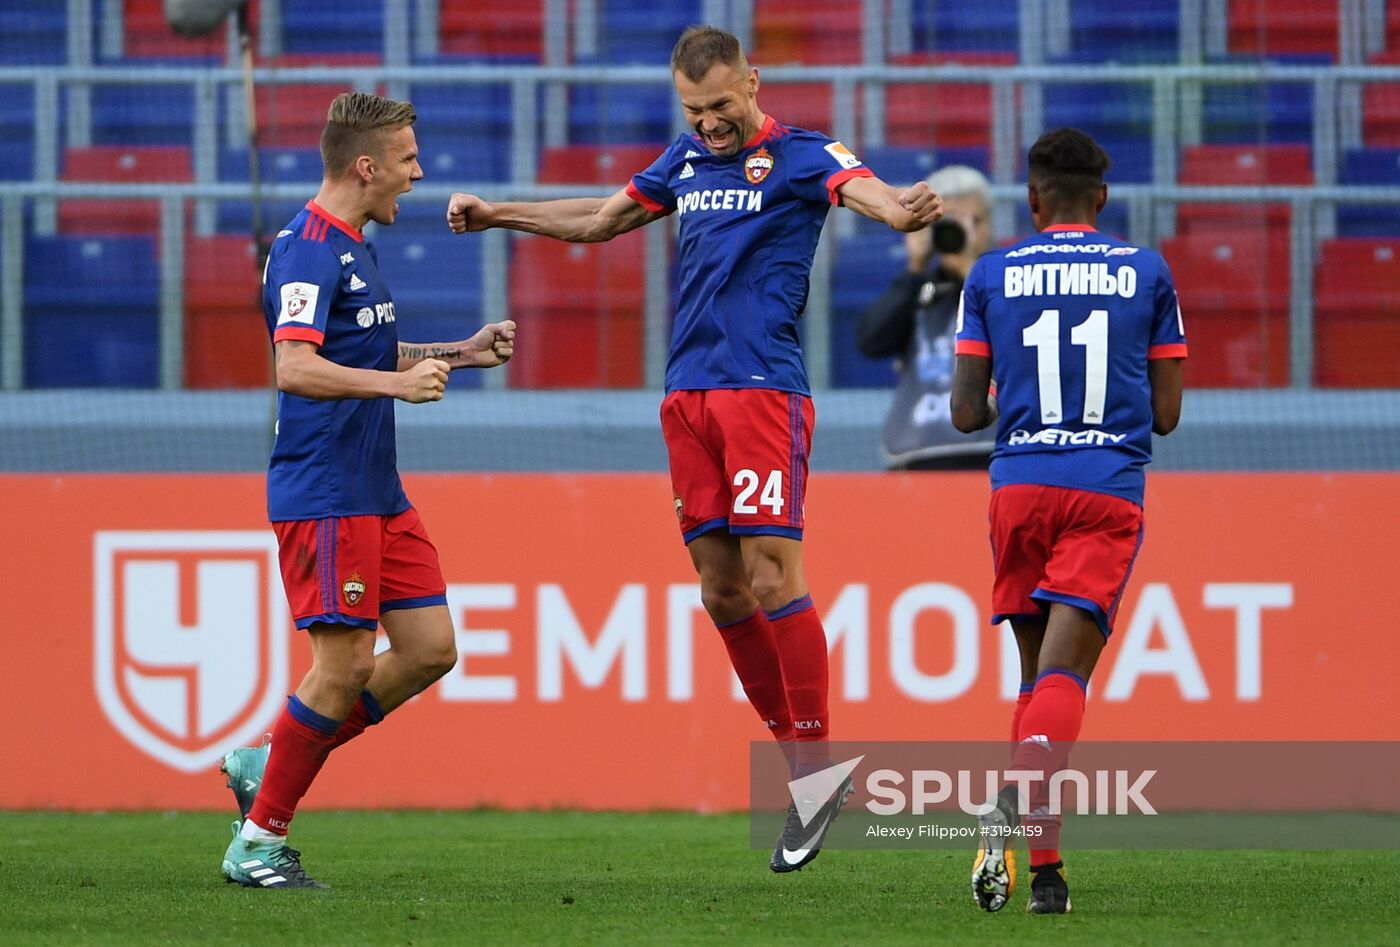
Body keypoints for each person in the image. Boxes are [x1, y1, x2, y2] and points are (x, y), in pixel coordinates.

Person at [446, 25, 941, 872]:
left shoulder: (803, 153)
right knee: (720, 590)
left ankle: (817, 769)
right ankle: (803, 771)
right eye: (693, 108)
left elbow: (866, 192)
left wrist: (903, 209)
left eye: (719, 104)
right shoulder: (683, 160)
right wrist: (499, 214)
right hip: (687, 398)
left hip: (761, 391)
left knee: (773, 571)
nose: (709, 122)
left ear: (753, 80)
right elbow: (601, 221)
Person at [218, 91, 517, 889]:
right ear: (365, 165)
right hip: (325, 488)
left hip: (376, 489)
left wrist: (461, 351)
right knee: (343, 664)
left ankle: (264, 758)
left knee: (429, 649)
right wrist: (396, 389)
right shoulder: (309, 248)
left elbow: (371, 348)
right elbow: (295, 366)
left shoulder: (354, 244)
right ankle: (258, 842)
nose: (417, 175)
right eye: (408, 160)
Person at [950, 128, 1185, 914]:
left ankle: (1045, 875)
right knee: (1064, 678)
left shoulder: (990, 273)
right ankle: (1011, 804)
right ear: (1105, 199)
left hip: (1019, 489)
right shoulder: (1148, 271)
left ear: (1033, 197)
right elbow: (1167, 413)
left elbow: (960, 412)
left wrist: (1015, 398)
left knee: (1031, 684)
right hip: (1103, 489)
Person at [855, 164, 996, 470]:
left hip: (991, 449)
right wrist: (915, 268)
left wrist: (970, 273)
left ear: (988, 226)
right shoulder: (919, 290)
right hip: (919, 452)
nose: (959, 229)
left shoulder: (1006, 284)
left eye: (971, 220)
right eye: (948, 220)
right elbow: (870, 342)